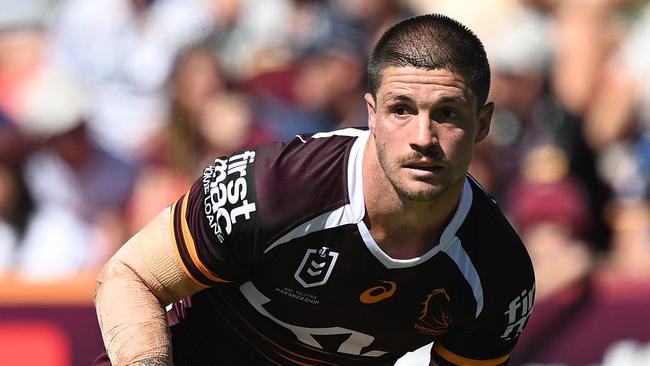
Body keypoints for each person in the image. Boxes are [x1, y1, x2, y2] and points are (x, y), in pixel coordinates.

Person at [94, 13, 535, 366]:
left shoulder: (500, 274)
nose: (423, 136)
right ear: (371, 115)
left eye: (447, 114)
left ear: (483, 124)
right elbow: (130, 277)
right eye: (401, 110)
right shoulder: (273, 186)